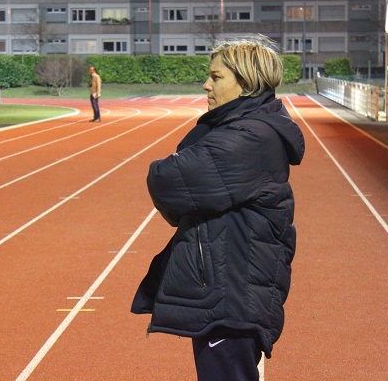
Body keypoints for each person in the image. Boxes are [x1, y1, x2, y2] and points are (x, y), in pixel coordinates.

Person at [131, 35, 305, 381]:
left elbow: (167, 180)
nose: (206, 85)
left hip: (232, 292)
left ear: (246, 82)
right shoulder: (244, 128)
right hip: (231, 288)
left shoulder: (246, 137)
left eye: (217, 77)